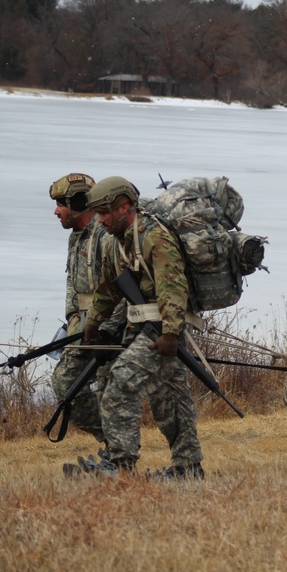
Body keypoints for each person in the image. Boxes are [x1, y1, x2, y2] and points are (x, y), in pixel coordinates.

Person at [78, 176, 205, 479]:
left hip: (161, 329)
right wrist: (93, 323)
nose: (101, 220)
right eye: (98, 214)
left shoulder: (154, 237)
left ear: (124, 207)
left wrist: (171, 333)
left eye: (106, 213)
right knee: (169, 399)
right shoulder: (115, 243)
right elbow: (108, 289)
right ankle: (188, 468)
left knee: (120, 384)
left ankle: (121, 466)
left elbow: (173, 287)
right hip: (141, 327)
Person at [49, 173, 117, 460]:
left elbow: (119, 286)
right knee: (64, 383)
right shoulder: (75, 238)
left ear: (79, 203)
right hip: (81, 327)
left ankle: (119, 452)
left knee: (108, 390)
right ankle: (111, 440)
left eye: (61, 204)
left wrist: (105, 326)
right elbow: (71, 284)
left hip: (108, 328)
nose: (56, 211)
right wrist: (72, 316)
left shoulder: (105, 236)